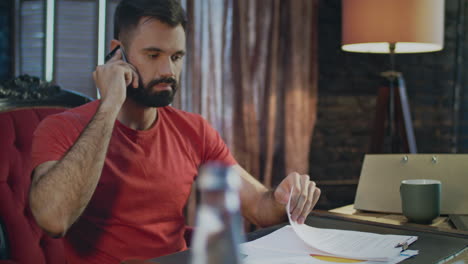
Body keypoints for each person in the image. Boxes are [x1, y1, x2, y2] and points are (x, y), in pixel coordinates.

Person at [28, 0, 321, 263]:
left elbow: (259, 208)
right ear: (117, 53)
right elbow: (53, 220)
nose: (168, 70)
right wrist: (109, 105)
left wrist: (283, 198)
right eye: (153, 55)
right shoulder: (61, 128)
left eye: (176, 56)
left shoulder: (194, 130)